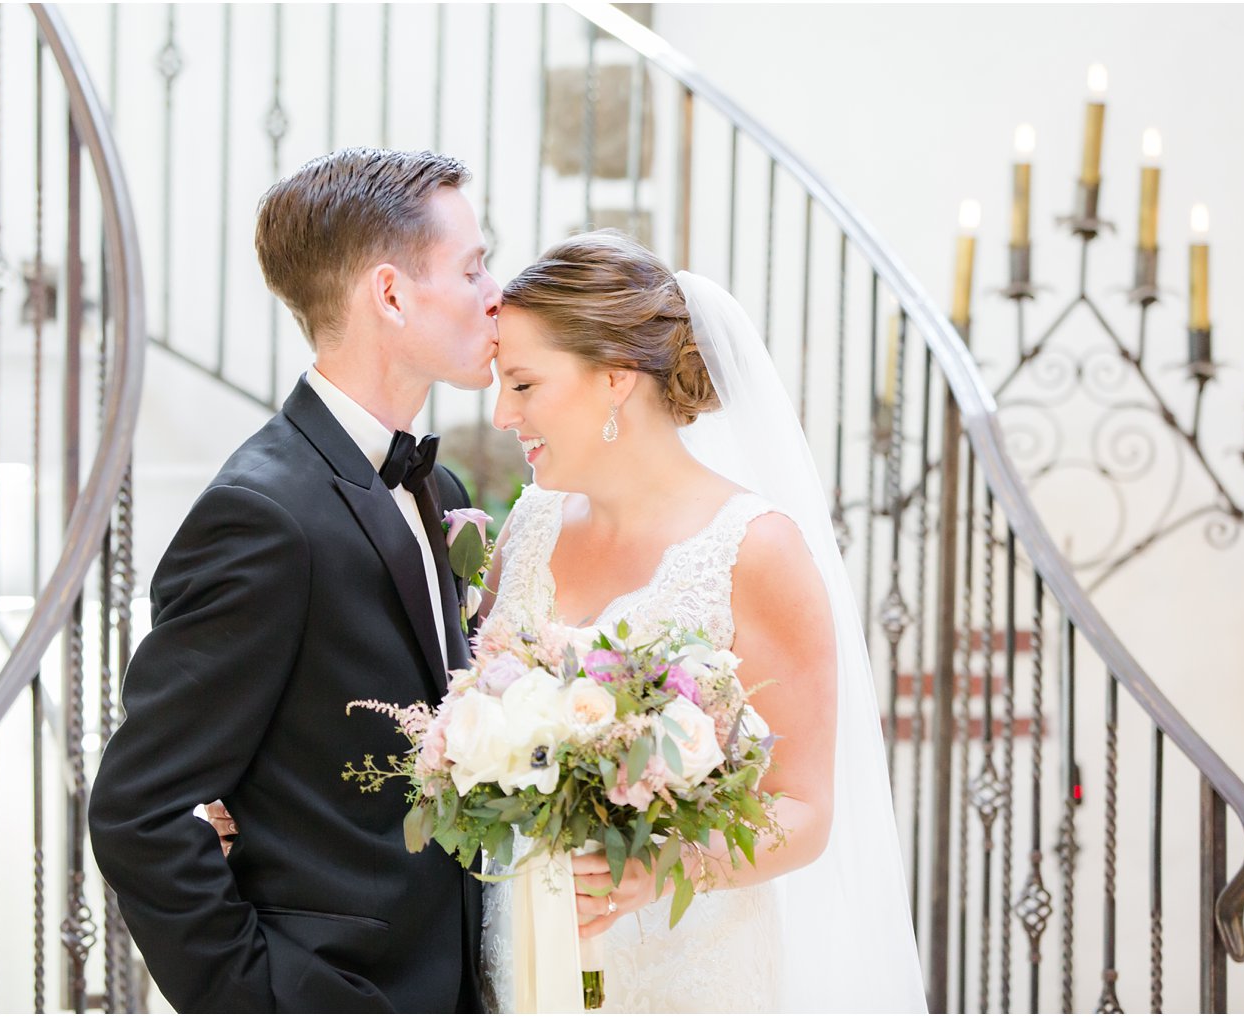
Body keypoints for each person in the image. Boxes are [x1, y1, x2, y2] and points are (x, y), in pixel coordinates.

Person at [88, 148, 503, 1013]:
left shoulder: (441, 489)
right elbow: (139, 812)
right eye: (473, 267)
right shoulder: (262, 514)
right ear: (390, 295)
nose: (495, 293)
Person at [475, 230, 926, 1012]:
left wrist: (666, 866)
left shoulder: (754, 548)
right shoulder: (528, 525)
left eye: (521, 384)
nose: (501, 414)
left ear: (615, 379)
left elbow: (807, 807)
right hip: (525, 949)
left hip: (686, 970)